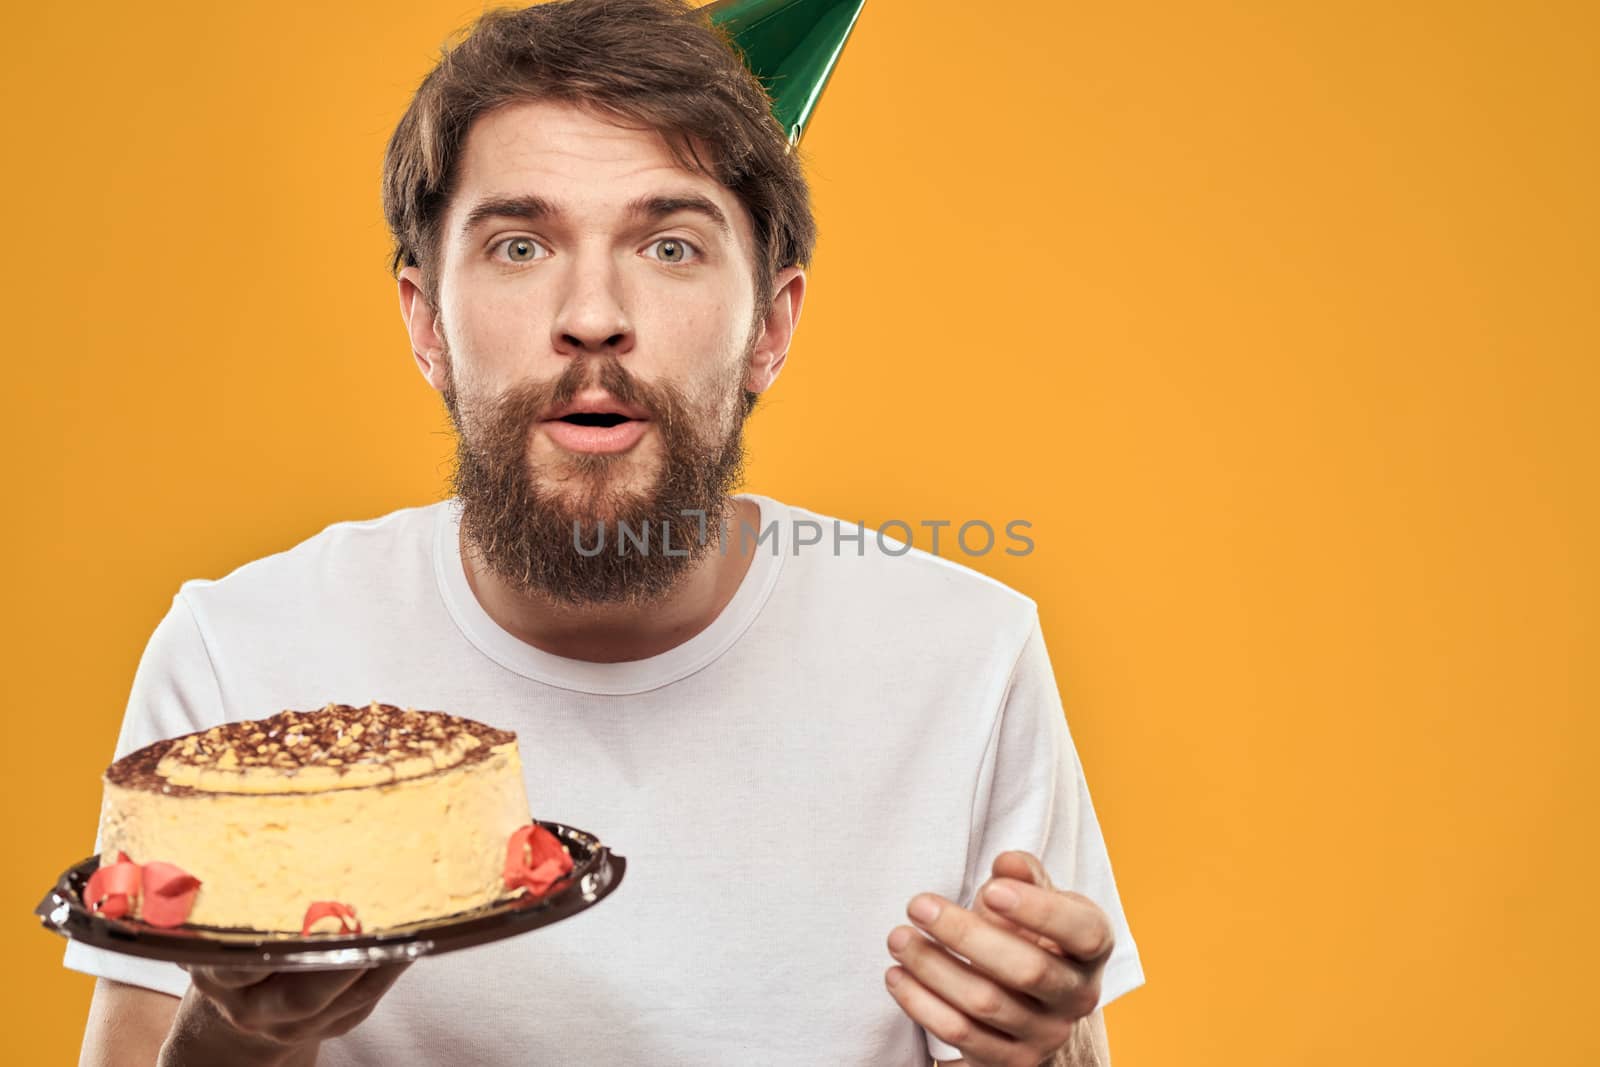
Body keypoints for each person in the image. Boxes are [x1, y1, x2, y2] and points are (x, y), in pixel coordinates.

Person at [65, 1, 1145, 1064]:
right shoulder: (241, 655)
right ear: (426, 323)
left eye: (669, 246)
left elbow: (1054, 1046)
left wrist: (1045, 1048)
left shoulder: (964, 655)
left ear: (769, 326)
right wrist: (234, 1034)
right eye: (521, 243)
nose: (592, 311)